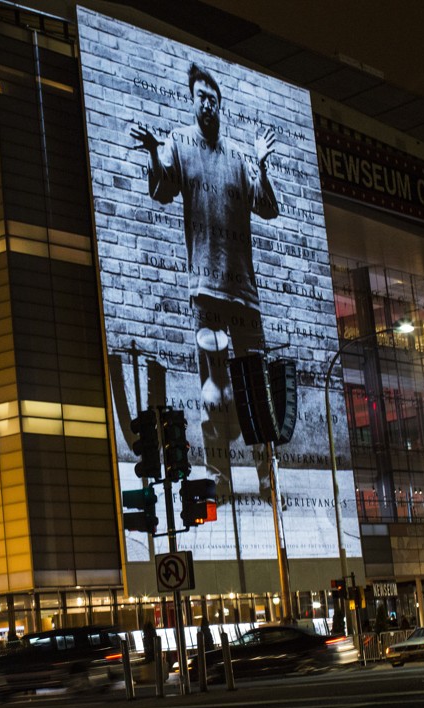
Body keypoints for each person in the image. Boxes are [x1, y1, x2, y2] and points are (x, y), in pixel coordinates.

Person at [130, 62, 279, 500]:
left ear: (220, 104)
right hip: (206, 291)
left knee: (255, 392)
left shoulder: (239, 157)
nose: (207, 104)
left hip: (244, 293)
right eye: (201, 97)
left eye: (213, 98)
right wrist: (153, 153)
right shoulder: (179, 142)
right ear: (193, 101)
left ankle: (267, 478)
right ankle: (220, 476)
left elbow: (267, 207)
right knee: (213, 391)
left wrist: (262, 165)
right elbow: (163, 190)